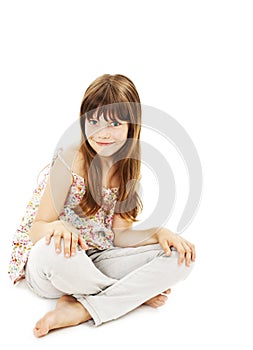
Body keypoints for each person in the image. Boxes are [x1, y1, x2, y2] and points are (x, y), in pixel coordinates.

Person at [8, 74, 196, 338]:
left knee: (181, 258)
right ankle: (128, 297)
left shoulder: (127, 169)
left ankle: (82, 308)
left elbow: (119, 237)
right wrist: (57, 227)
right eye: (93, 121)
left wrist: (158, 233)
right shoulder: (71, 158)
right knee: (54, 252)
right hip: (55, 262)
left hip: (94, 261)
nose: (101, 133)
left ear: (132, 126)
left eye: (114, 124)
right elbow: (36, 229)